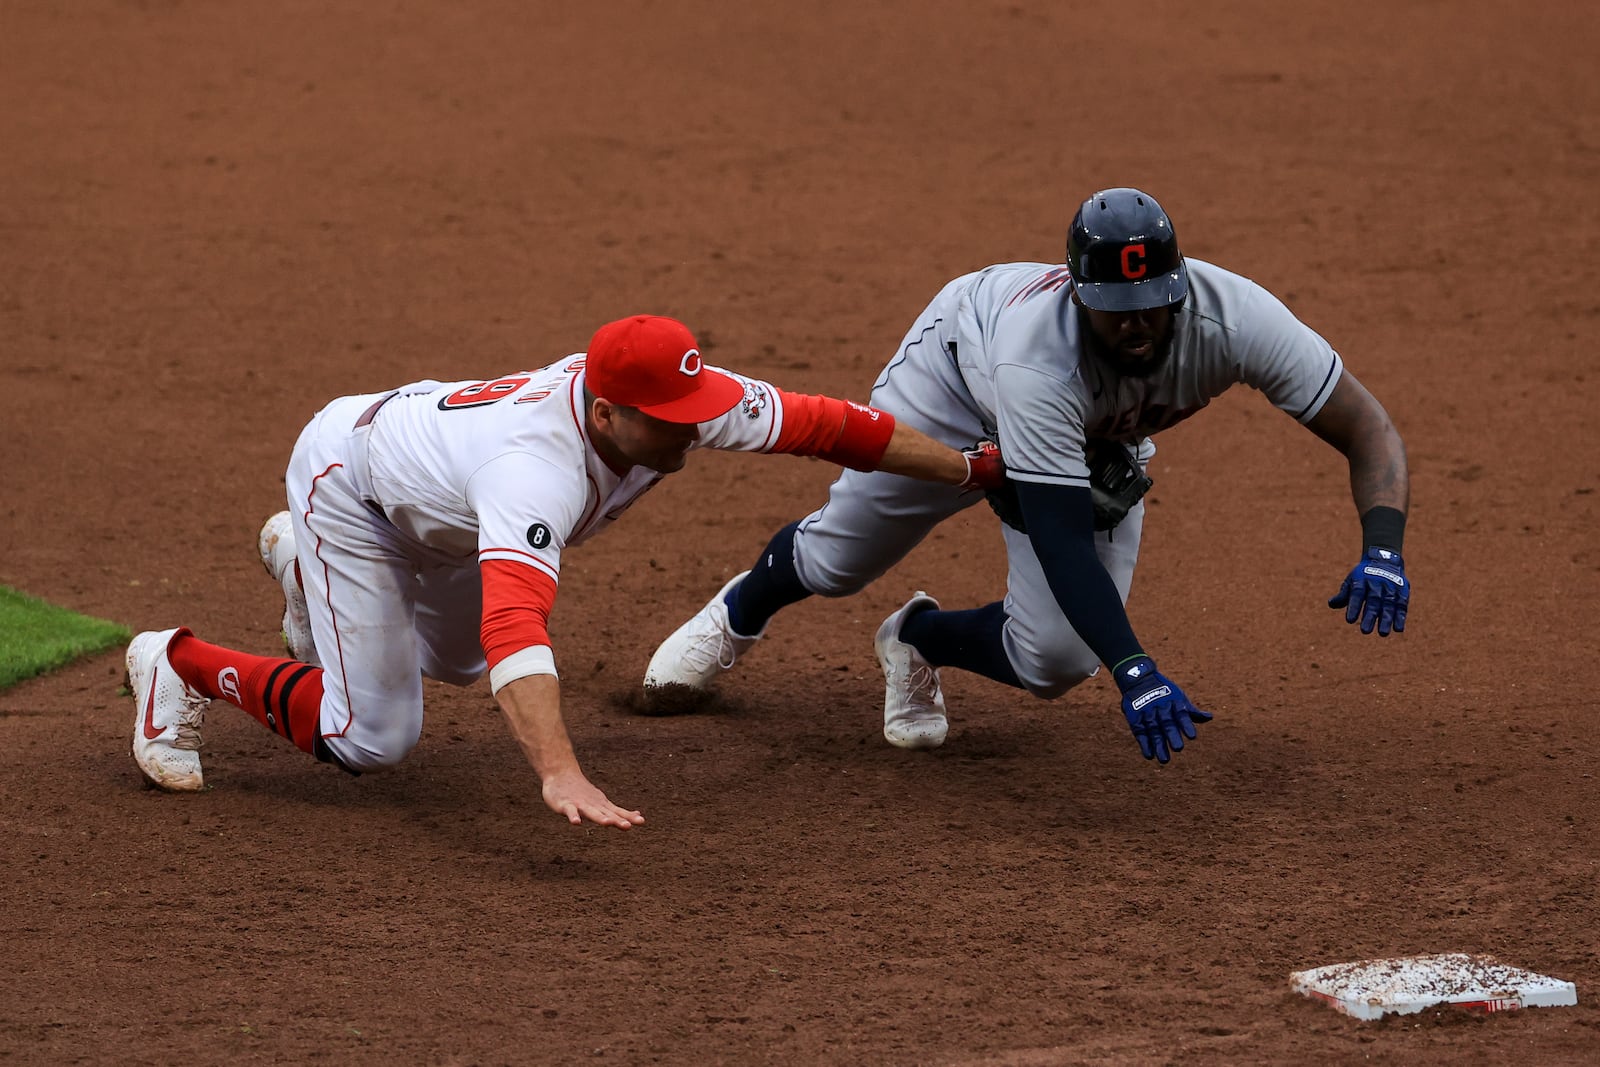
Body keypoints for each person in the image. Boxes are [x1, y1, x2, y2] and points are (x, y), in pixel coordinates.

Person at [126, 314, 1005, 827]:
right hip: (351, 491)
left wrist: (972, 468)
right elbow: (516, 624)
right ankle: (175, 661)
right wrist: (558, 769)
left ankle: (304, 574)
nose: (691, 431)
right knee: (374, 736)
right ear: (607, 409)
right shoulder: (533, 472)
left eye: (695, 409)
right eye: (669, 421)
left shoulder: (676, 402)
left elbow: (838, 427)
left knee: (460, 660)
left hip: (436, 498)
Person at [643, 188, 1411, 764]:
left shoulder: (1237, 318)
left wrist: (1383, 545)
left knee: (1058, 661)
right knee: (842, 558)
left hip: (1085, 433)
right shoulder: (1036, 356)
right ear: (1078, 292)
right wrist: (1137, 668)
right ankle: (738, 612)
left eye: (1153, 304)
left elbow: (1366, 425)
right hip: (954, 384)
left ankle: (917, 637)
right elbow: (1057, 533)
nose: (1138, 324)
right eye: (1117, 309)